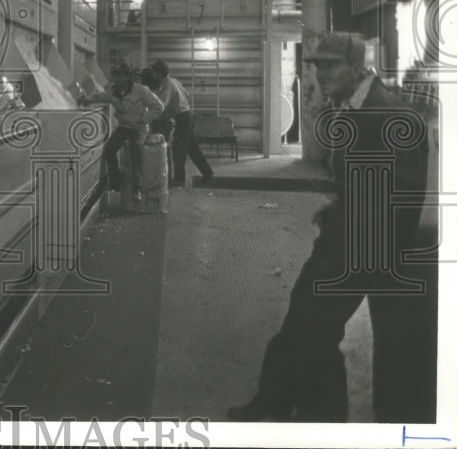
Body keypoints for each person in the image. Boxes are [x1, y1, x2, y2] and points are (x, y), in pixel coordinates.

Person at [226, 32, 432, 422]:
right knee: (300, 314)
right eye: (316, 66)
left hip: (365, 247)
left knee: (313, 329)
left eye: (330, 65)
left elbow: (401, 198)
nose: (320, 75)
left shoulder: (385, 113)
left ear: (357, 67)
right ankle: (273, 399)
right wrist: (340, 207)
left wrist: (357, 245)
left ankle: (323, 422)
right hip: (345, 234)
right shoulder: (355, 106)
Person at [87, 61, 164, 202]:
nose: (115, 78)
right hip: (123, 127)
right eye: (114, 75)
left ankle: (137, 189)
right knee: (109, 149)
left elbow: (158, 106)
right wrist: (86, 100)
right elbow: (101, 96)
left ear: (127, 77)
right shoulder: (112, 91)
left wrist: (143, 119)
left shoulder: (141, 90)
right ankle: (116, 183)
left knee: (136, 152)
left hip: (138, 128)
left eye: (119, 75)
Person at [143, 59, 214, 186]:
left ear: (159, 73)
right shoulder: (174, 81)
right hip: (187, 115)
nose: (152, 74)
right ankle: (207, 173)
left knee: (178, 149)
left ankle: (179, 180)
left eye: (154, 72)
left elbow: (162, 104)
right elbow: (187, 95)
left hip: (182, 118)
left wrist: (150, 117)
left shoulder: (167, 84)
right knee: (192, 148)